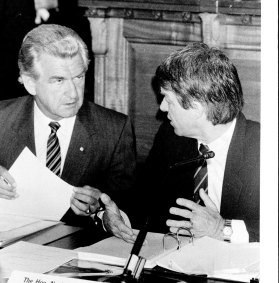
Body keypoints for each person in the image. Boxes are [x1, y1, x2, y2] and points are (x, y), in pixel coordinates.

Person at [0, 24, 137, 243]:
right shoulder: (2, 120)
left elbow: (126, 209)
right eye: (59, 80)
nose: (73, 93)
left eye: (78, 77)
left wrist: (100, 212)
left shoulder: (113, 129)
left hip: (76, 256)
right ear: (30, 83)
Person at [144, 42, 260, 243]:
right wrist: (117, 215)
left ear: (196, 107)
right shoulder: (170, 137)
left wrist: (220, 229)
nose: (162, 108)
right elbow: (146, 200)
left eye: (168, 100)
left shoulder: (263, 149)